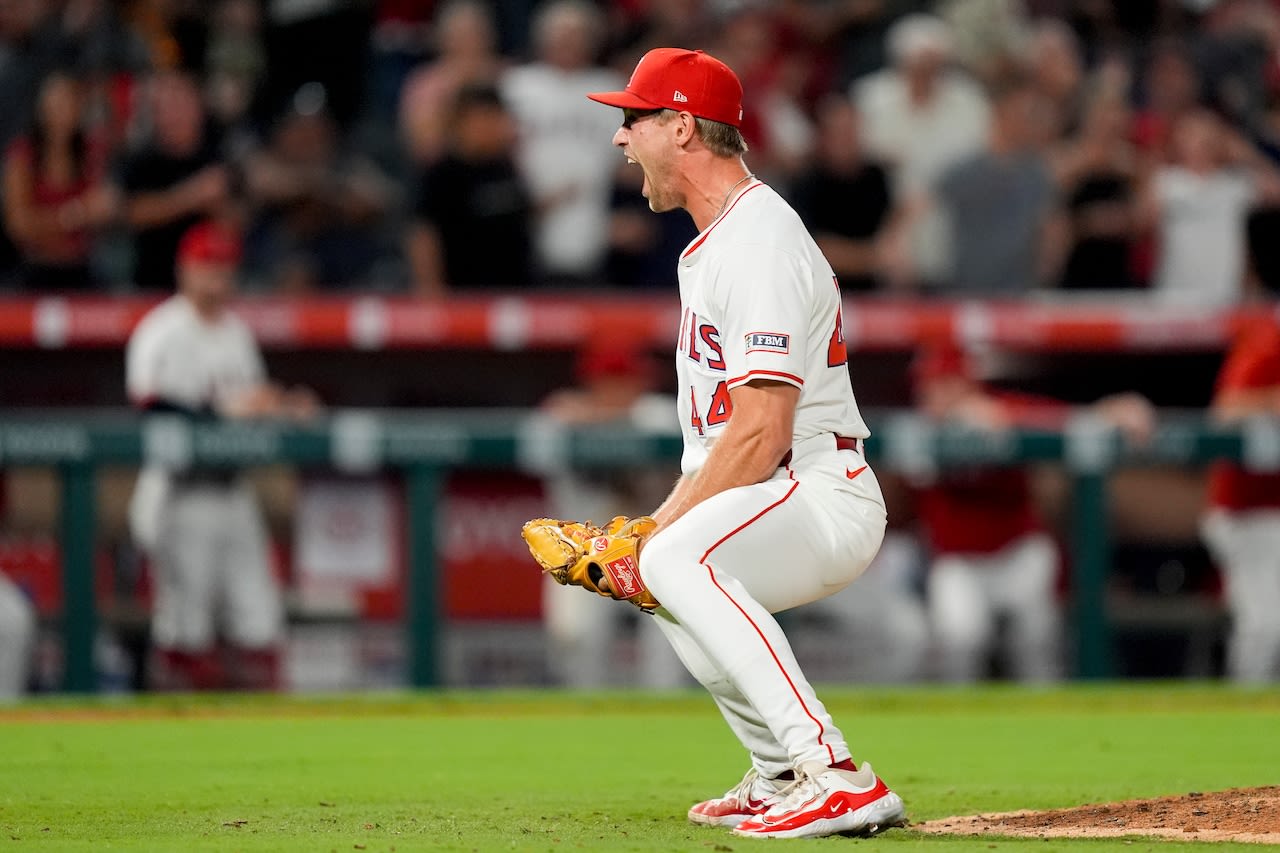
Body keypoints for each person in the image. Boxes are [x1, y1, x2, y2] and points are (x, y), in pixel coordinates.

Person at [584, 47, 907, 839]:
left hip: (818, 488)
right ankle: (777, 771)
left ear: (684, 126)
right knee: (653, 570)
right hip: (780, 487)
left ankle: (834, 771)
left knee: (667, 556)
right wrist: (646, 538)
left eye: (634, 118)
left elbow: (761, 431)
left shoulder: (759, 236)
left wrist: (653, 531)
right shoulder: (719, 240)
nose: (621, 139)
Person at [125, 220, 317, 690]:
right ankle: (171, 731)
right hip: (178, 490)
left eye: (224, 268)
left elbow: (250, 403)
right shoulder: (161, 331)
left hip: (232, 490)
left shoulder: (236, 333)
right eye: (206, 267)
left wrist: (282, 405)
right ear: (184, 269)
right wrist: (224, 410)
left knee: (260, 621)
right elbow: (152, 406)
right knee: (185, 627)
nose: (216, 278)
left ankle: (257, 740)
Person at [910, 342, 1155, 681]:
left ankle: (1048, 721)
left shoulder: (1002, 409)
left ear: (969, 385)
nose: (936, 395)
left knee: (1037, 642)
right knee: (960, 640)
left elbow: (1062, 421)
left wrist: (1111, 412)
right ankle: (961, 727)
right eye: (929, 387)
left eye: (947, 384)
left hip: (1017, 550)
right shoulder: (918, 428)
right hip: (959, 561)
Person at [535, 343, 686, 688]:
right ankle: (585, 718)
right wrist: (593, 416)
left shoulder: (656, 415)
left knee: (671, 631)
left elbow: (674, 424)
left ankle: (662, 716)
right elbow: (543, 426)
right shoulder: (561, 415)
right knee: (575, 636)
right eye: (611, 380)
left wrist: (607, 419)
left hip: (649, 546)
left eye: (628, 380)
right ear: (592, 382)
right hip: (582, 546)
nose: (621, 389)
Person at [1200, 311, 1280, 682]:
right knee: (1266, 625)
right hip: (1248, 514)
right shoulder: (1268, 339)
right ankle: (1245, 707)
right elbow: (1225, 413)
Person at [2, 69, 118, 290]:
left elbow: (103, 209)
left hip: (82, 268)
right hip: (34, 269)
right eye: (56, 104)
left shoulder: (91, 152)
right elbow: (19, 224)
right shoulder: (22, 156)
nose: (63, 112)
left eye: (70, 102)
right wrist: (75, 214)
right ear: (41, 108)